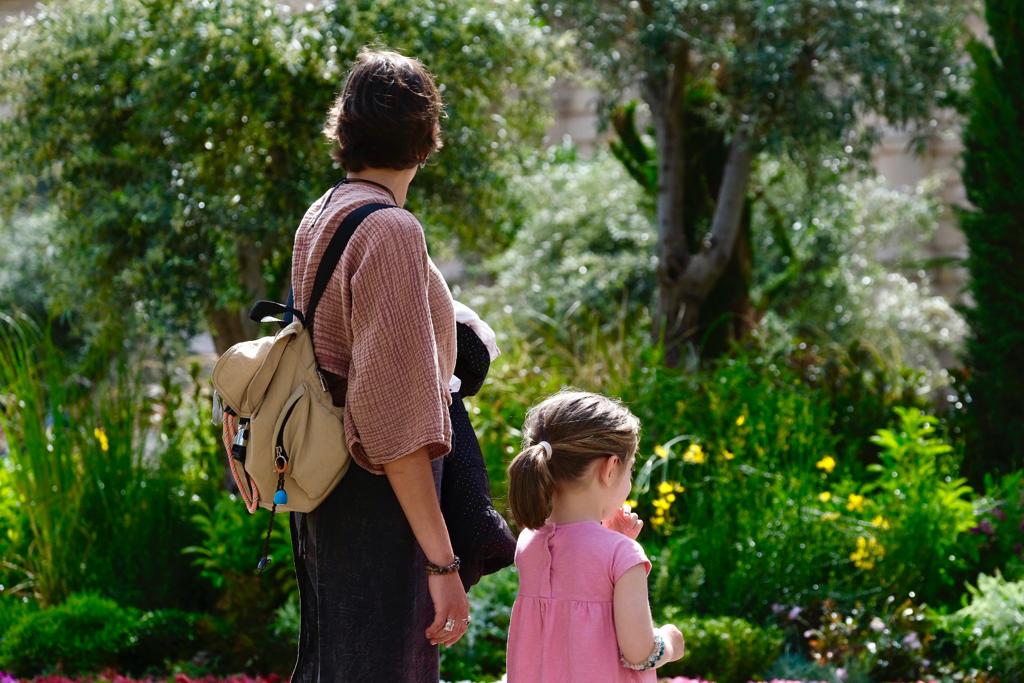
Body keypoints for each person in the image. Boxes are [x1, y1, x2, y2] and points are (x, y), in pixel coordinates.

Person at [287, 48, 466, 682]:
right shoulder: (389, 229)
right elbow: (394, 427)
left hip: (325, 491)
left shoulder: (325, 211)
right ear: (426, 137)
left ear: (346, 129)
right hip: (377, 505)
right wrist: (442, 566)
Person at [505, 390, 686, 682]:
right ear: (610, 468)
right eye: (630, 469)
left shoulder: (529, 542)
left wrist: (613, 541)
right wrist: (669, 642)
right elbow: (639, 652)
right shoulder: (622, 555)